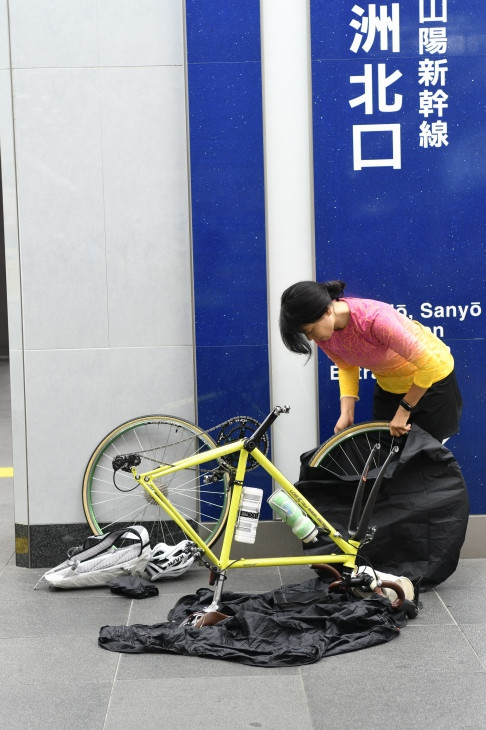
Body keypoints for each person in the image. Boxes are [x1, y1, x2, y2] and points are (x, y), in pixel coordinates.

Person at [279, 280, 462, 441]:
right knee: (383, 463)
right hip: (390, 386)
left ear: (327, 310)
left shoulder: (375, 320)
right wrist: (347, 413)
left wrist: (404, 410)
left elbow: (429, 365)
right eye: (306, 334)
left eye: (310, 331)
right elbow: (346, 366)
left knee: (425, 463)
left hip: (432, 384)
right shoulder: (324, 334)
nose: (311, 339)